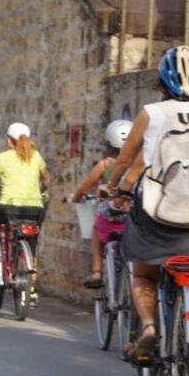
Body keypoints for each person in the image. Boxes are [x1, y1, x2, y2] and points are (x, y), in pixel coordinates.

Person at [105, 45, 189, 363]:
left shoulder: (151, 114)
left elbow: (124, 160)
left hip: (154, 217)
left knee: (144, 275)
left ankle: (149, 327)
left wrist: (114, 189)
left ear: (162, 82)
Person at [0, 122, 50, 304]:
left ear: (9, 140)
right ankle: (31, 290)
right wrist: (41, 189)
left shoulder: (4, 158)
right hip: (34, 209)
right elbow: (46, 178)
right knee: (31, 249)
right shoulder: (36, 156)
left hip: (9, 207)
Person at [67, 120, 133, 287]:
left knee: (96, 231)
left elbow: (84, 188)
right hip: (132, 219)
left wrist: (76, 198)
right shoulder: (138, 164)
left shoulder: (105, 165)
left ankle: (97, 272)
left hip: (111, 218)